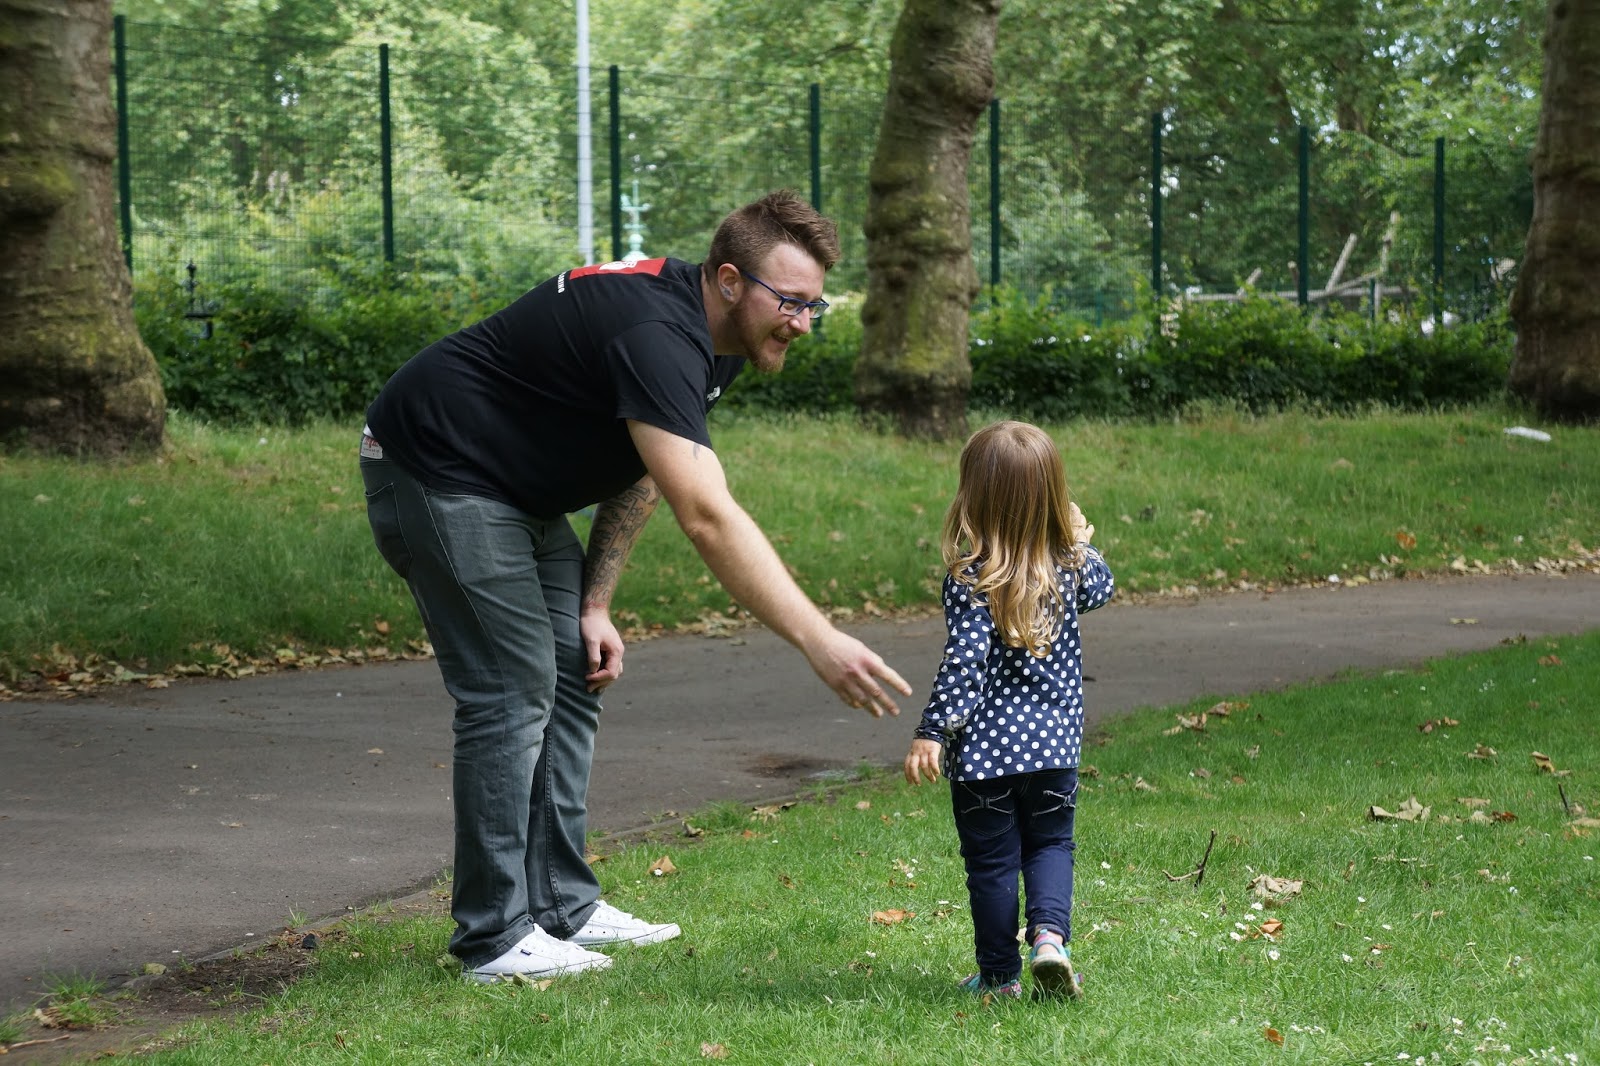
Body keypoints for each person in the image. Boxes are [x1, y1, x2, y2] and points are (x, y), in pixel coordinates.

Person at [359, 190, 912, 985]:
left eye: (814, 304)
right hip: (435, 468)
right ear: (729, 280)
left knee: (574, 672)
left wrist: (596, 603)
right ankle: (492, 937)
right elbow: (708, 515)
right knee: (511, 690)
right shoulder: (656, 331)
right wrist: (819, 639)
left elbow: (651, 464)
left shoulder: (715, 335)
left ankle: (560, 904)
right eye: (790, 302)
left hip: (516, 490)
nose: (802, 322)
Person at [903, 420, 1115, 1001]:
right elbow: (1104, 585)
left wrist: (932, 732)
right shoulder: (1071, 568)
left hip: (986, 760)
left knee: (993, 865)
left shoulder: (972, 578)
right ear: (1053, 495)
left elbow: (964, 664)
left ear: (974, 494)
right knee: (1051, 844)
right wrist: (1077, 540)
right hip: (1055, 751)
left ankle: (999, 978)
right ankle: (1050, 939)